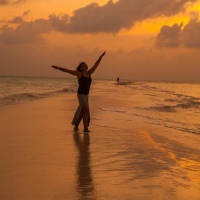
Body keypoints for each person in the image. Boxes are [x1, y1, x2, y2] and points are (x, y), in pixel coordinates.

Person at [51, 51, 106, 132]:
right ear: (81, 68)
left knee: (83, 110)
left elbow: (96, 64)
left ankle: (76, 126)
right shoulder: (79, 74)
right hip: (80, 94)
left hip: (86, 94)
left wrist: (101, 56)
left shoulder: (89, 73)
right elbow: (67, 71)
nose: (86, 66)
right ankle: (85, 128)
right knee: (86, 109)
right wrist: (58, 68)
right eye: (83, 65)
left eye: (86, 65)